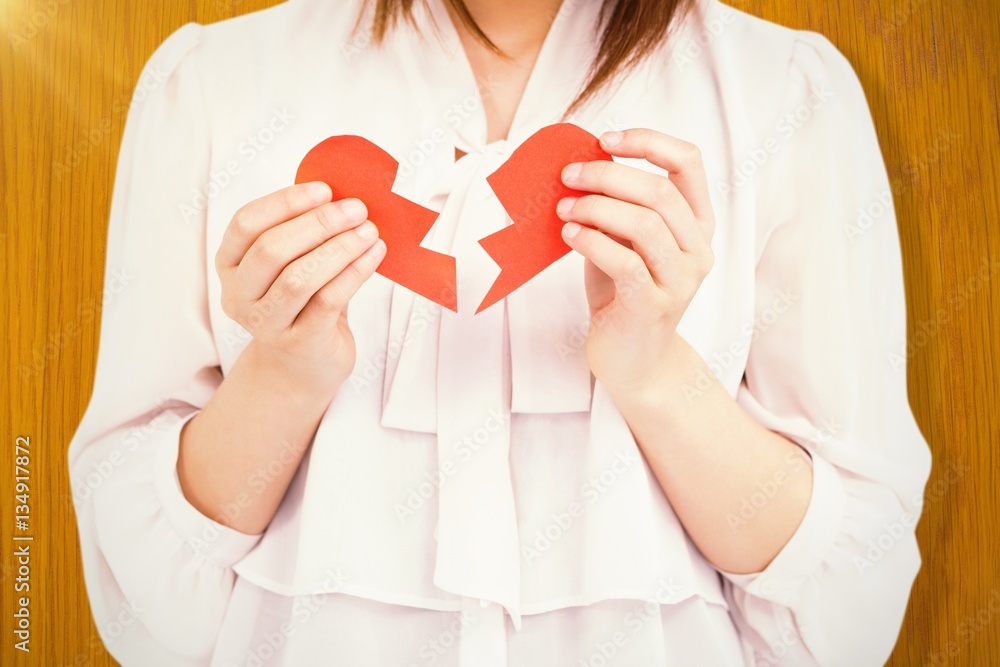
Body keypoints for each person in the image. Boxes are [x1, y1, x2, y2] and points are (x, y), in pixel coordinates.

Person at [67, 0, 932, 664]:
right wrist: (284, 373)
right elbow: (151, 609)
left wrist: (655, 370)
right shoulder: (216, 82)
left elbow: (847, 607)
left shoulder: (783, 92)